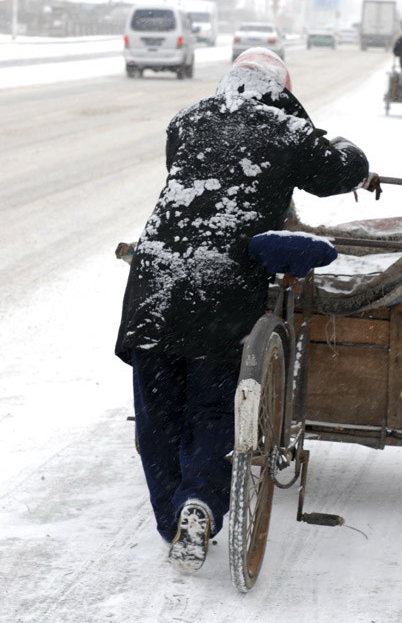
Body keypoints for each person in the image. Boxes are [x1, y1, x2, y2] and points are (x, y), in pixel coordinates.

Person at [115, 47, 370, 572]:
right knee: (212, 407)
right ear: (283, 88)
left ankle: (175, 521)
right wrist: (347, 148)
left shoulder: (185, 121)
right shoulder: (287, 129)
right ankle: (202, 503)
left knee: (157, 416)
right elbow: (340, 171)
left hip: (155, 278)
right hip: (222, 285)